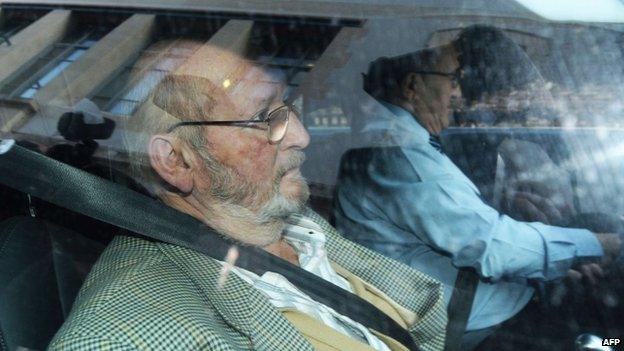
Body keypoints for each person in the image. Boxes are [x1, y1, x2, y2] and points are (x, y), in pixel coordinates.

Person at [48, 40, 448, 351]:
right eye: (263, 118)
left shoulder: (280, 216)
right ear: (178, 162)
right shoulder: (124, 334)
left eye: (287, 107)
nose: (301, 135)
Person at [333, 26, 623, 349]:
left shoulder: (399, 142)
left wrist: (545, 262)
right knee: (607, 337)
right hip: (473, 321)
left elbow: (453, 225)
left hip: (465, 294)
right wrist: (601, 244)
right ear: (413, 86)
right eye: (451, 79)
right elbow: (492, 247)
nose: (458, 93)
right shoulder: (400, 156)